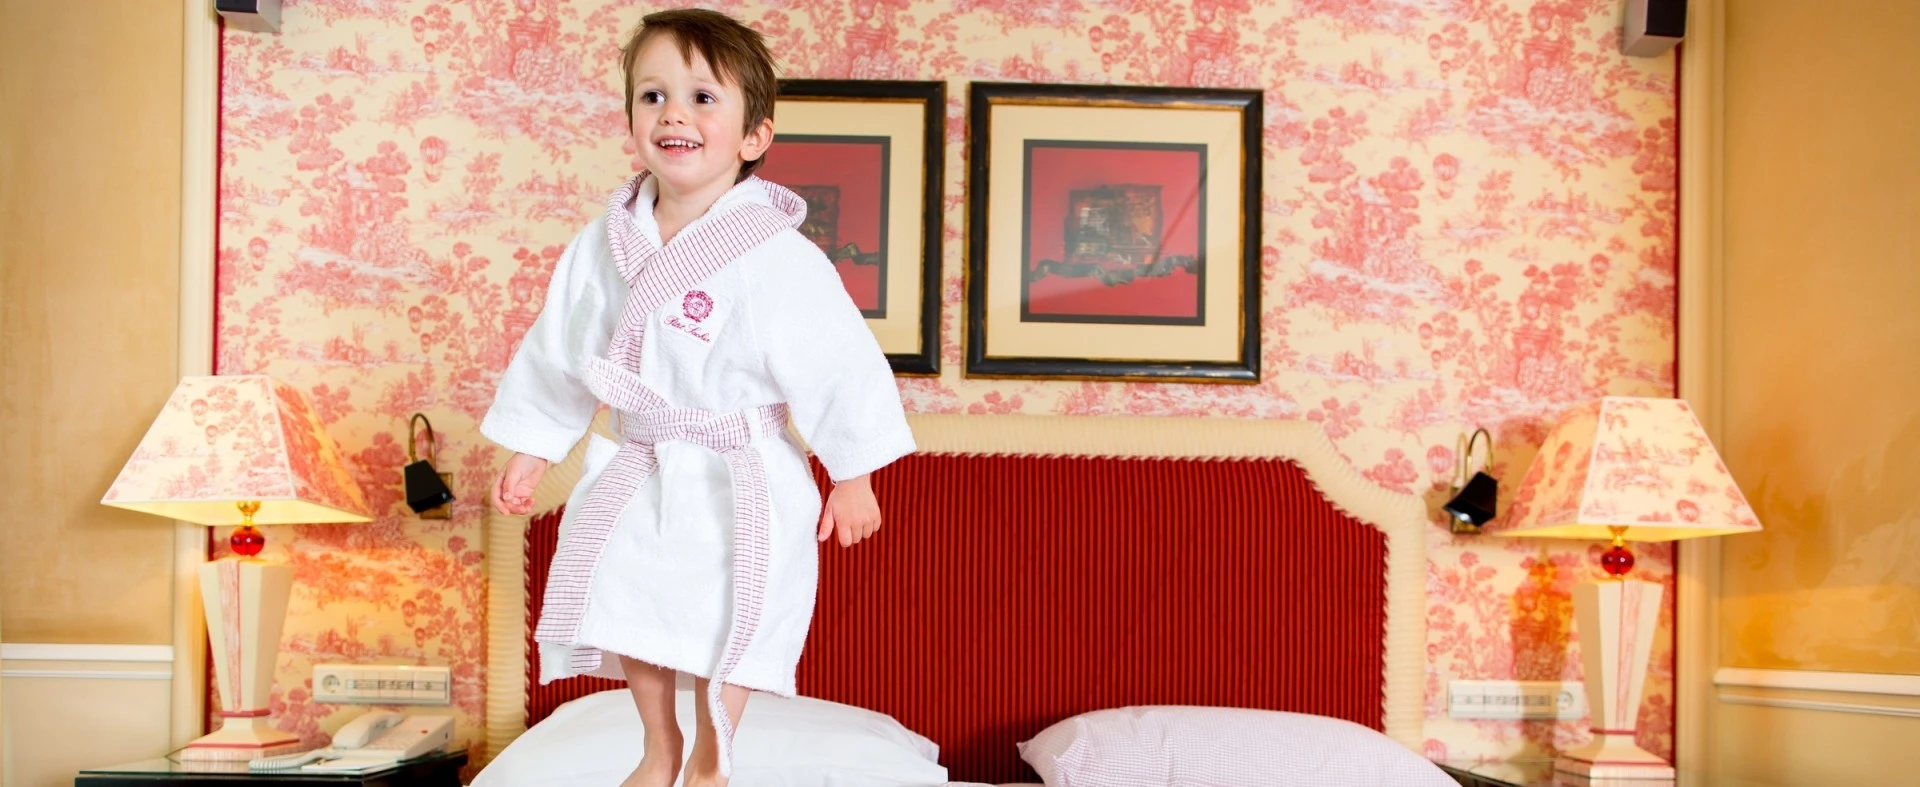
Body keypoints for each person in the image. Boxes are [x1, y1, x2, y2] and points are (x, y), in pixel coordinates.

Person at [480, 9, 914, 787]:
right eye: (653, 96)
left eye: (702, 98)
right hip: (639, 454)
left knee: (732, 610)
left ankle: (714, 752)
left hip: (739, 468)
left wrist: (853, 474)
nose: (673, 113)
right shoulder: (603, 242)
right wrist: (535, 444)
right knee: (629, 593)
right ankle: (659, 746)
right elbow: (560, 344)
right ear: (631, 122)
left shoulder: (778, 255)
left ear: (754, 136)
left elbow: (838, 361)